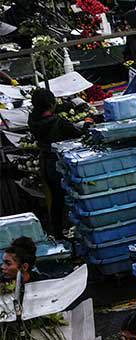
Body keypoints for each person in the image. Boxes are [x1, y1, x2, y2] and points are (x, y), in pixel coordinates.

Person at [28, 88, 85, 238]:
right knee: (68, 198)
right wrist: (87, 123)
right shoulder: (58, 123)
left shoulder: (33, 120)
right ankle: (71, 231)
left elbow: (46, 111)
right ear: (51, 104)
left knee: (56, 199)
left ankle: (57, 233)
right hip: (58, 165)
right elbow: (80, 135)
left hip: (45, 163)